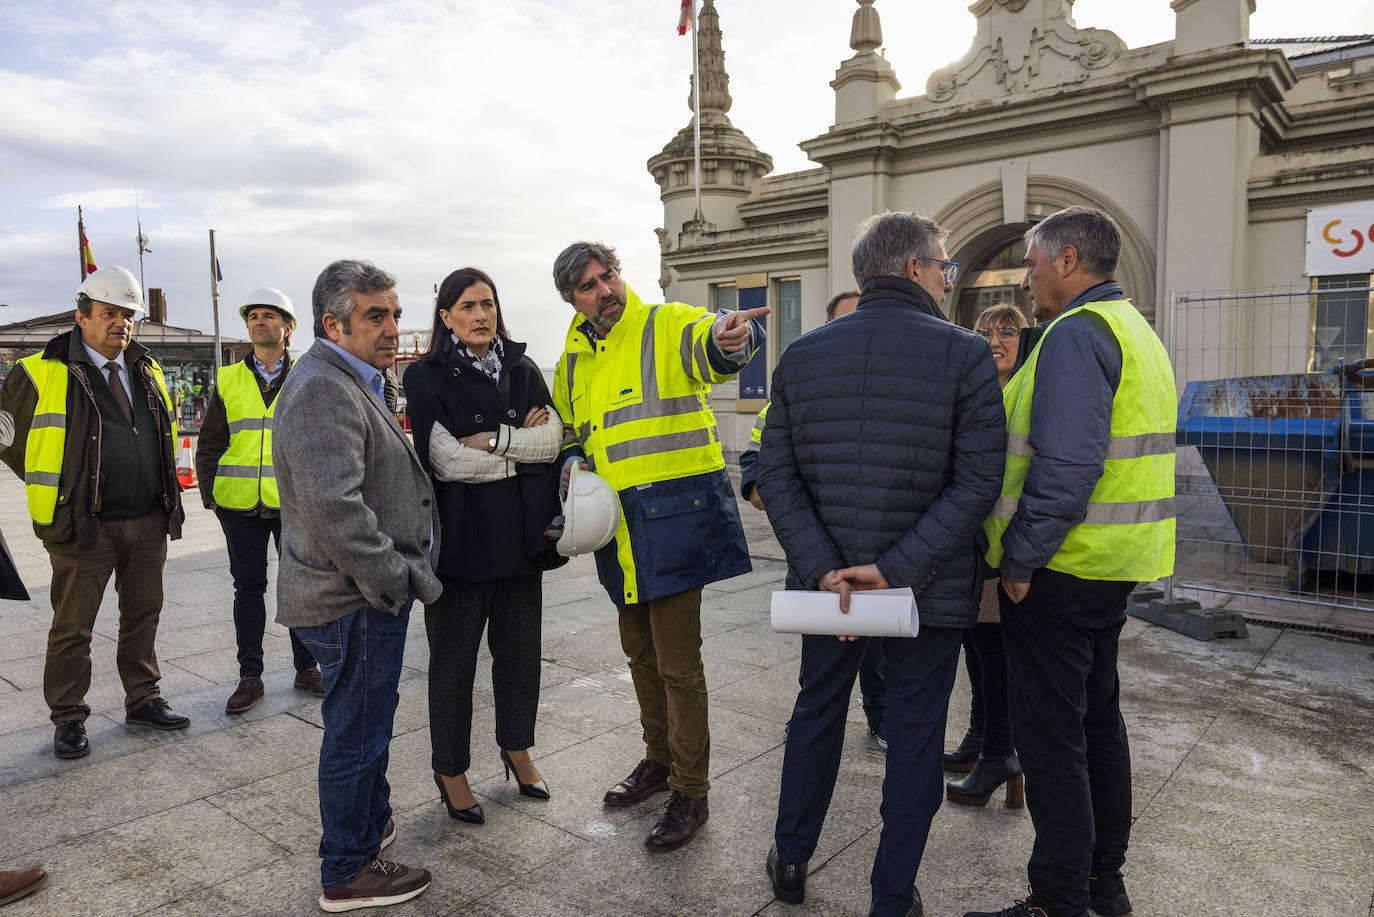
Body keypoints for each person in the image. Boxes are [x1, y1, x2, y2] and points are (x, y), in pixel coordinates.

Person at [759, 211, 1005, 917]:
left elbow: (777, 477)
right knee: (918, 731)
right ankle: (892, 893)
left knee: (816, 713)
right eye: (945, 265)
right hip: (926, 589)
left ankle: (792, 858)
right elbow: (976, 484)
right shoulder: (965, 354)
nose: (947, 277)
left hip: (828, 590)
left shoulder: (802, 354)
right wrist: (892, 571)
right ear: (913, 269)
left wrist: (827, 570)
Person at [967, 207, 1175, 917]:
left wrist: (1020, 557)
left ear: (1067, 261)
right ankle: (1100, 882)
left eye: (1031, 263)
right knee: (1096, 723)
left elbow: (1068, 464)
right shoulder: (1134, 329)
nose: (1024, 279)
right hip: (1111, 564)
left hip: (1060, 567)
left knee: (1052, 739)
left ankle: (1058, 896)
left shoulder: (1072, 336)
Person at [551, 241, 767, 851]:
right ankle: (658, 760)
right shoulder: (571, 357)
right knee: (640, 656)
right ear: (573, 299)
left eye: (609, 275)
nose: (606, 290)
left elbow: (712, 347)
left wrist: (729, 341)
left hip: (675, 521)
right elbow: (574, 428)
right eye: (590, 285)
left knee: (678, 664)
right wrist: (570, 459)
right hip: (616, 529)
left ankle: (691, 791)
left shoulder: (663, 322)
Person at [273, 260, 441, 912]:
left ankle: (367, 830)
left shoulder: (348, 378)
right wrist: (391, 579)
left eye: (394, 313)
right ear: (332, 323)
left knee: (364, 722)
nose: (392, 327)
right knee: (357, 732)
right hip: (353, 597)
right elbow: (336, 511)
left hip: (354, 593)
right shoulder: (322, 388)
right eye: (376, 316)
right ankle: (347, 869)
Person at [0, 266, 189, 760]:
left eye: (128, 315)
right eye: (109, 313)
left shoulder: (147, 369)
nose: (120, 324)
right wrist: (64, 488)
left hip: (148, 519)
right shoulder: (39, 370)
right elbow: (7, 440)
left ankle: (143, 698)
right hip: (82, 524)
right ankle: (68, 717)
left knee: (143, 615)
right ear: (82, 317)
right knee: (73, 624)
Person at [402, 267, 566, 825]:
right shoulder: (426, 378)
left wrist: (497, 443)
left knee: (520, 658)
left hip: (523, 543)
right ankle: (450, 768)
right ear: (445, 316)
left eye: (487, 304)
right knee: (454, 665)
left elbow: (555, 441)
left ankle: (517, 747)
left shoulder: (522, 368)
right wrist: (522, 450)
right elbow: (445, 461)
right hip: (461, 547)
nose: (480, 314)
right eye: (467, 306)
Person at [739, 290, 889, 752]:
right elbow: (756, 470)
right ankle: (812, 732)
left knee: (881, 657)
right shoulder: (799, 387)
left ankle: (881, 720)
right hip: (817, 556)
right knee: (821, 673)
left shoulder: (893, 390)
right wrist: (792, 505)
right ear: (828, 329)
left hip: (882, 563)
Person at [195, 287, 323, 715]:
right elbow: (211, 441)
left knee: (300, 587)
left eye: (270, 316)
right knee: (247, 590)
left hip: (293, 505)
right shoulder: (229, 379)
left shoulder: (308, 373)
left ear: (288, 327)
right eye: (253, 316)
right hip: (239, 506)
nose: (260, 322)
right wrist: (212, 493)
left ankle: (307, 668)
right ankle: (250, 676)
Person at [945, 303, 1030, 807]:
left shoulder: (1023, 390)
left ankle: (1001, 753)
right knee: (976, 649)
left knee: (994, 655)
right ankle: (981, 740)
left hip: (1004, 547)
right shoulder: (984, 390)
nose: (994, 340)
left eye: (1007, 331)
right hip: (975, 543)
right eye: (984, 332)